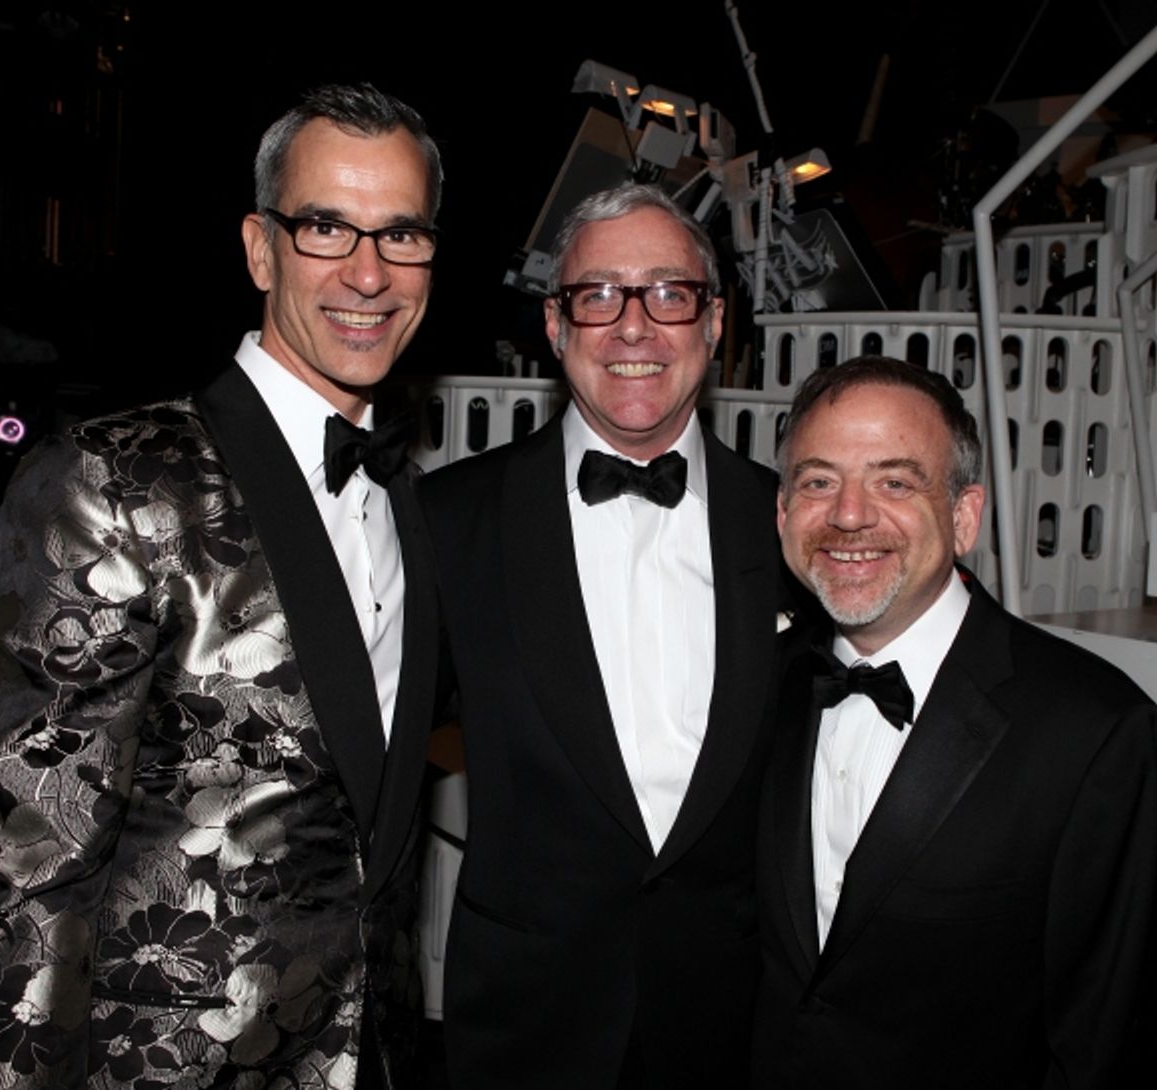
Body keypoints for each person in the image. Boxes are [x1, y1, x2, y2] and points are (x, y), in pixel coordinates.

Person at [0, 83, 444, 1089]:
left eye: (401, 234)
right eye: (326, 228)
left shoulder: (408, 493)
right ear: (261, 249)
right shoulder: (113, 480)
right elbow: (19, 870)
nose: (368, 271)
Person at [418, 184, 780, 1089]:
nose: (633, 327)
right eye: (599, 294)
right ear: (555, 323)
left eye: (669, 293)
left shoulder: (791, 525)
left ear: (714, 321)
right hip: (526, 1030)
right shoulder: (447, 521)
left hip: (737, 1024)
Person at [757, 355, 1157, 1087]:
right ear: (784, 515)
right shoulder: (757, 683)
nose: (848, 513)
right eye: (818, 481)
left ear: (965, 515)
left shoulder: (1097, 732)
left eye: (895, 481)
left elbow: (1103, 1037)